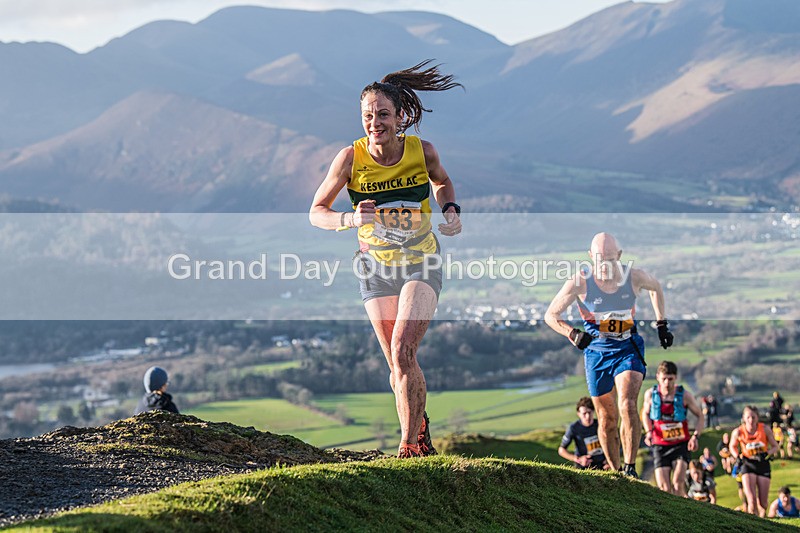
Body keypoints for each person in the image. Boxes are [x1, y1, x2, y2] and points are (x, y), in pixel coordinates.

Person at [309, 60, 462, 458]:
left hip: (420, 261)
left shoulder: (421, 151)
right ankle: (421, 427)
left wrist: (450, 210)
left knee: (403, 351)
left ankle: (409, 447)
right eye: (367, 116)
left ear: (400, 117)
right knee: (397, 370)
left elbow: (442, 182)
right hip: (374, 267)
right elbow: (316, 212)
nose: (374, 122)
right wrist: (349, 218)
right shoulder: (349, 159)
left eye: (382, 115)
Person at [545, 232, 674, 477]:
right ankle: (616, 473)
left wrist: (661, 324)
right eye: (599, 259)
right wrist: (572, 334)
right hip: (597, 352)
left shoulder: (633, 277)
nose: (604, 265)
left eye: (610, 259)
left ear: (620, 256)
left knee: (626, 404)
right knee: (606, 418)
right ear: (590, 257)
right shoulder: (579, 282)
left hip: (627, 347)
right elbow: (550, 315)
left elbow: (655, 287)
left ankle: (630, 467)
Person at [641, 361, 704, 497]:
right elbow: (645, 413)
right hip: (660, 445)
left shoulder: (685, 395)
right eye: (664, 379)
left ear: (675, 378)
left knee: (677, 483)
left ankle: (685, 514)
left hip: (680, 445)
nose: (667, 383)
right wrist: (648, 432)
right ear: (658, 377)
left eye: (670, 379)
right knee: (664, 488)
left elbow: (700, 416)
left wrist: (695, 436)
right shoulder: (651, 395)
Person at [729, 405, 780, 517]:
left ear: (757, 417)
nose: (751, 420)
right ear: (744, 418)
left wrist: (767, 453)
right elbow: (732, 446)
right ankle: (754, 524)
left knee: (763, 503)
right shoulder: (738, 431)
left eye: (753, 417)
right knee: (751, 500)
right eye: (748, 417)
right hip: (747, 464)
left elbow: (775, 446)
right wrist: (737, 456)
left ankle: (763, 519)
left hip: (762, 464)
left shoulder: (765, 429)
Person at [558, 397, 609, 470]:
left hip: (603, 466)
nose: (587, 416)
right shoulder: (574, 428)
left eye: (589, 412)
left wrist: (610, 460)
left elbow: (615, 443)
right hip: (583, 468)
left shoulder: (600, 425)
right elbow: (561, 450)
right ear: (578, 414)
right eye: (584, 413)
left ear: (593, 411)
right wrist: (578, 459)